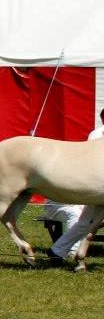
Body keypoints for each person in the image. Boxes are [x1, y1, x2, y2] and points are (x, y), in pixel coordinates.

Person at [48, 107, 104, 263]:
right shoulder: (98, 135)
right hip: (95, 185)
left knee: (86, 223)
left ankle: (58, 251)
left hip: (98, 188)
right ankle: (71, 252)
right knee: (87, 222)